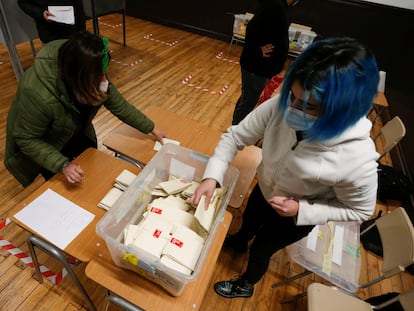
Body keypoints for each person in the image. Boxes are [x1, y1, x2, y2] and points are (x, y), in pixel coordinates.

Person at [192, 37, 380, 298]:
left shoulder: (356, 159)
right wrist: (211, 176)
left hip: (294, 216)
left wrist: (303, 209)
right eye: (292, 95)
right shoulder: (283, 104)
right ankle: (239, 241)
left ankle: (246, 283)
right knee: (248, 221)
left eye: (309, 106)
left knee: (261, 249)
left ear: (342, 112)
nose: (291, 110)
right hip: (266, 186)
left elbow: (360, 210)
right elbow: (235, 137)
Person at [5, 31, 166, 187]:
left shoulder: (89, 66)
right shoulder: (37, 94)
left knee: (91, 177)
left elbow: (119, 104)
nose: (104, 81)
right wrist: (62, 165)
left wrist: (151, 128)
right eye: (98, 77)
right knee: (64, 188)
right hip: (50, 143)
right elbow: (27, 139)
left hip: (76, 131)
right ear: (78, 78)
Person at [231, 0, 293, 125]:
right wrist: (257, 50)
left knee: (247, 98)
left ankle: (235, 128)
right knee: (248, 102)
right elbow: (252, 27)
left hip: (262, 67)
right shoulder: (275, 5)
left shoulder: (279, 6)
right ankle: (235, 133)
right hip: (257, 66)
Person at [18, 0, 86, 43]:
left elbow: (79, 6)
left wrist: (82, 32)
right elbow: (23, 2)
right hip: (49, 32)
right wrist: (41, 13)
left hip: (72, 30)